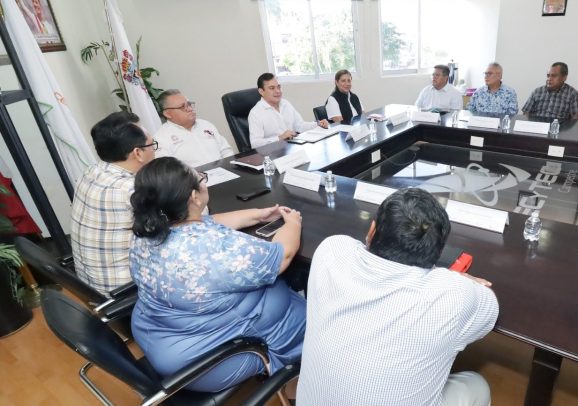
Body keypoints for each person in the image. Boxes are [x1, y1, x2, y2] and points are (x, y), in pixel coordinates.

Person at [297, 188, 499, 405]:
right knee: (477, 385)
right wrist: (453, 278)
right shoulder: (454, 295)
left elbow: (361, 251)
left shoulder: (330, 250)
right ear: (438, 253)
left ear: (372, 230)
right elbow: (489, 310)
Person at [129, 156, 305, 392]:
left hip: (160, 335)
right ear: (194, 196)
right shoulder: (215, 249)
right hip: (206, 361)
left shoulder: (148, 230)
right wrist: (293, 223)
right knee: (315, 314)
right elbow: (283, 254)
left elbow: (206, 221)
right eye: (202, 178)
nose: (204, 182)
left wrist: (258, 215)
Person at [70, 112, 156, 294]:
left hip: (91, 285)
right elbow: (177, 230)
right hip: (126, 290)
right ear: (138, 153)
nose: (155, 150)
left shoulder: (91, 172)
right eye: (152, 145)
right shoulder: (132, 191)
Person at [153, 89, 234, 167]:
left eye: (189, 104)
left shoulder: (206, 124)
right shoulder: (161, 138)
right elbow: (168, 170)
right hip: (193, 176)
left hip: (225, 171)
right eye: (182, 107)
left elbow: (226, 151)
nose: (190, 109)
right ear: (167, 114)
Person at [248, 73, 328, 149]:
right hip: (272, 154)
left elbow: (299, 126)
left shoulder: (285, 104)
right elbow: (255, 143)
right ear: (261, 91)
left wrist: (317, 124)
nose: (277, 91)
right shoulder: (256, 113)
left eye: (278, 87)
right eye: (272, 88)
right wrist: (279, 138)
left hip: (291, 148)